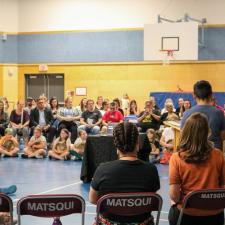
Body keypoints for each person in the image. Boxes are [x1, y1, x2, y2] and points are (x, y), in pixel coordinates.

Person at [89, 122, 160, 225]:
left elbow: (93, 199)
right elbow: (152, 200)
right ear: (138, 145)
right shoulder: (151, 169)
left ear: (116, 146)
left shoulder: (103, 169)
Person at [169, 113, 225, 225]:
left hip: (186, 214)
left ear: (185, 132)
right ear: (207, 132)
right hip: (214, 215)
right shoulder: (218, 155)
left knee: (173, 206)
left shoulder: (176, 158)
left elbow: (174, 196)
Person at [181, 80, 225, 150]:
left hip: (192, 155)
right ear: (211, 94)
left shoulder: (186, 113)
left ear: (193, 95)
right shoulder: (219, 113)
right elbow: (223, 136)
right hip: (214, 154)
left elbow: (183, 136)